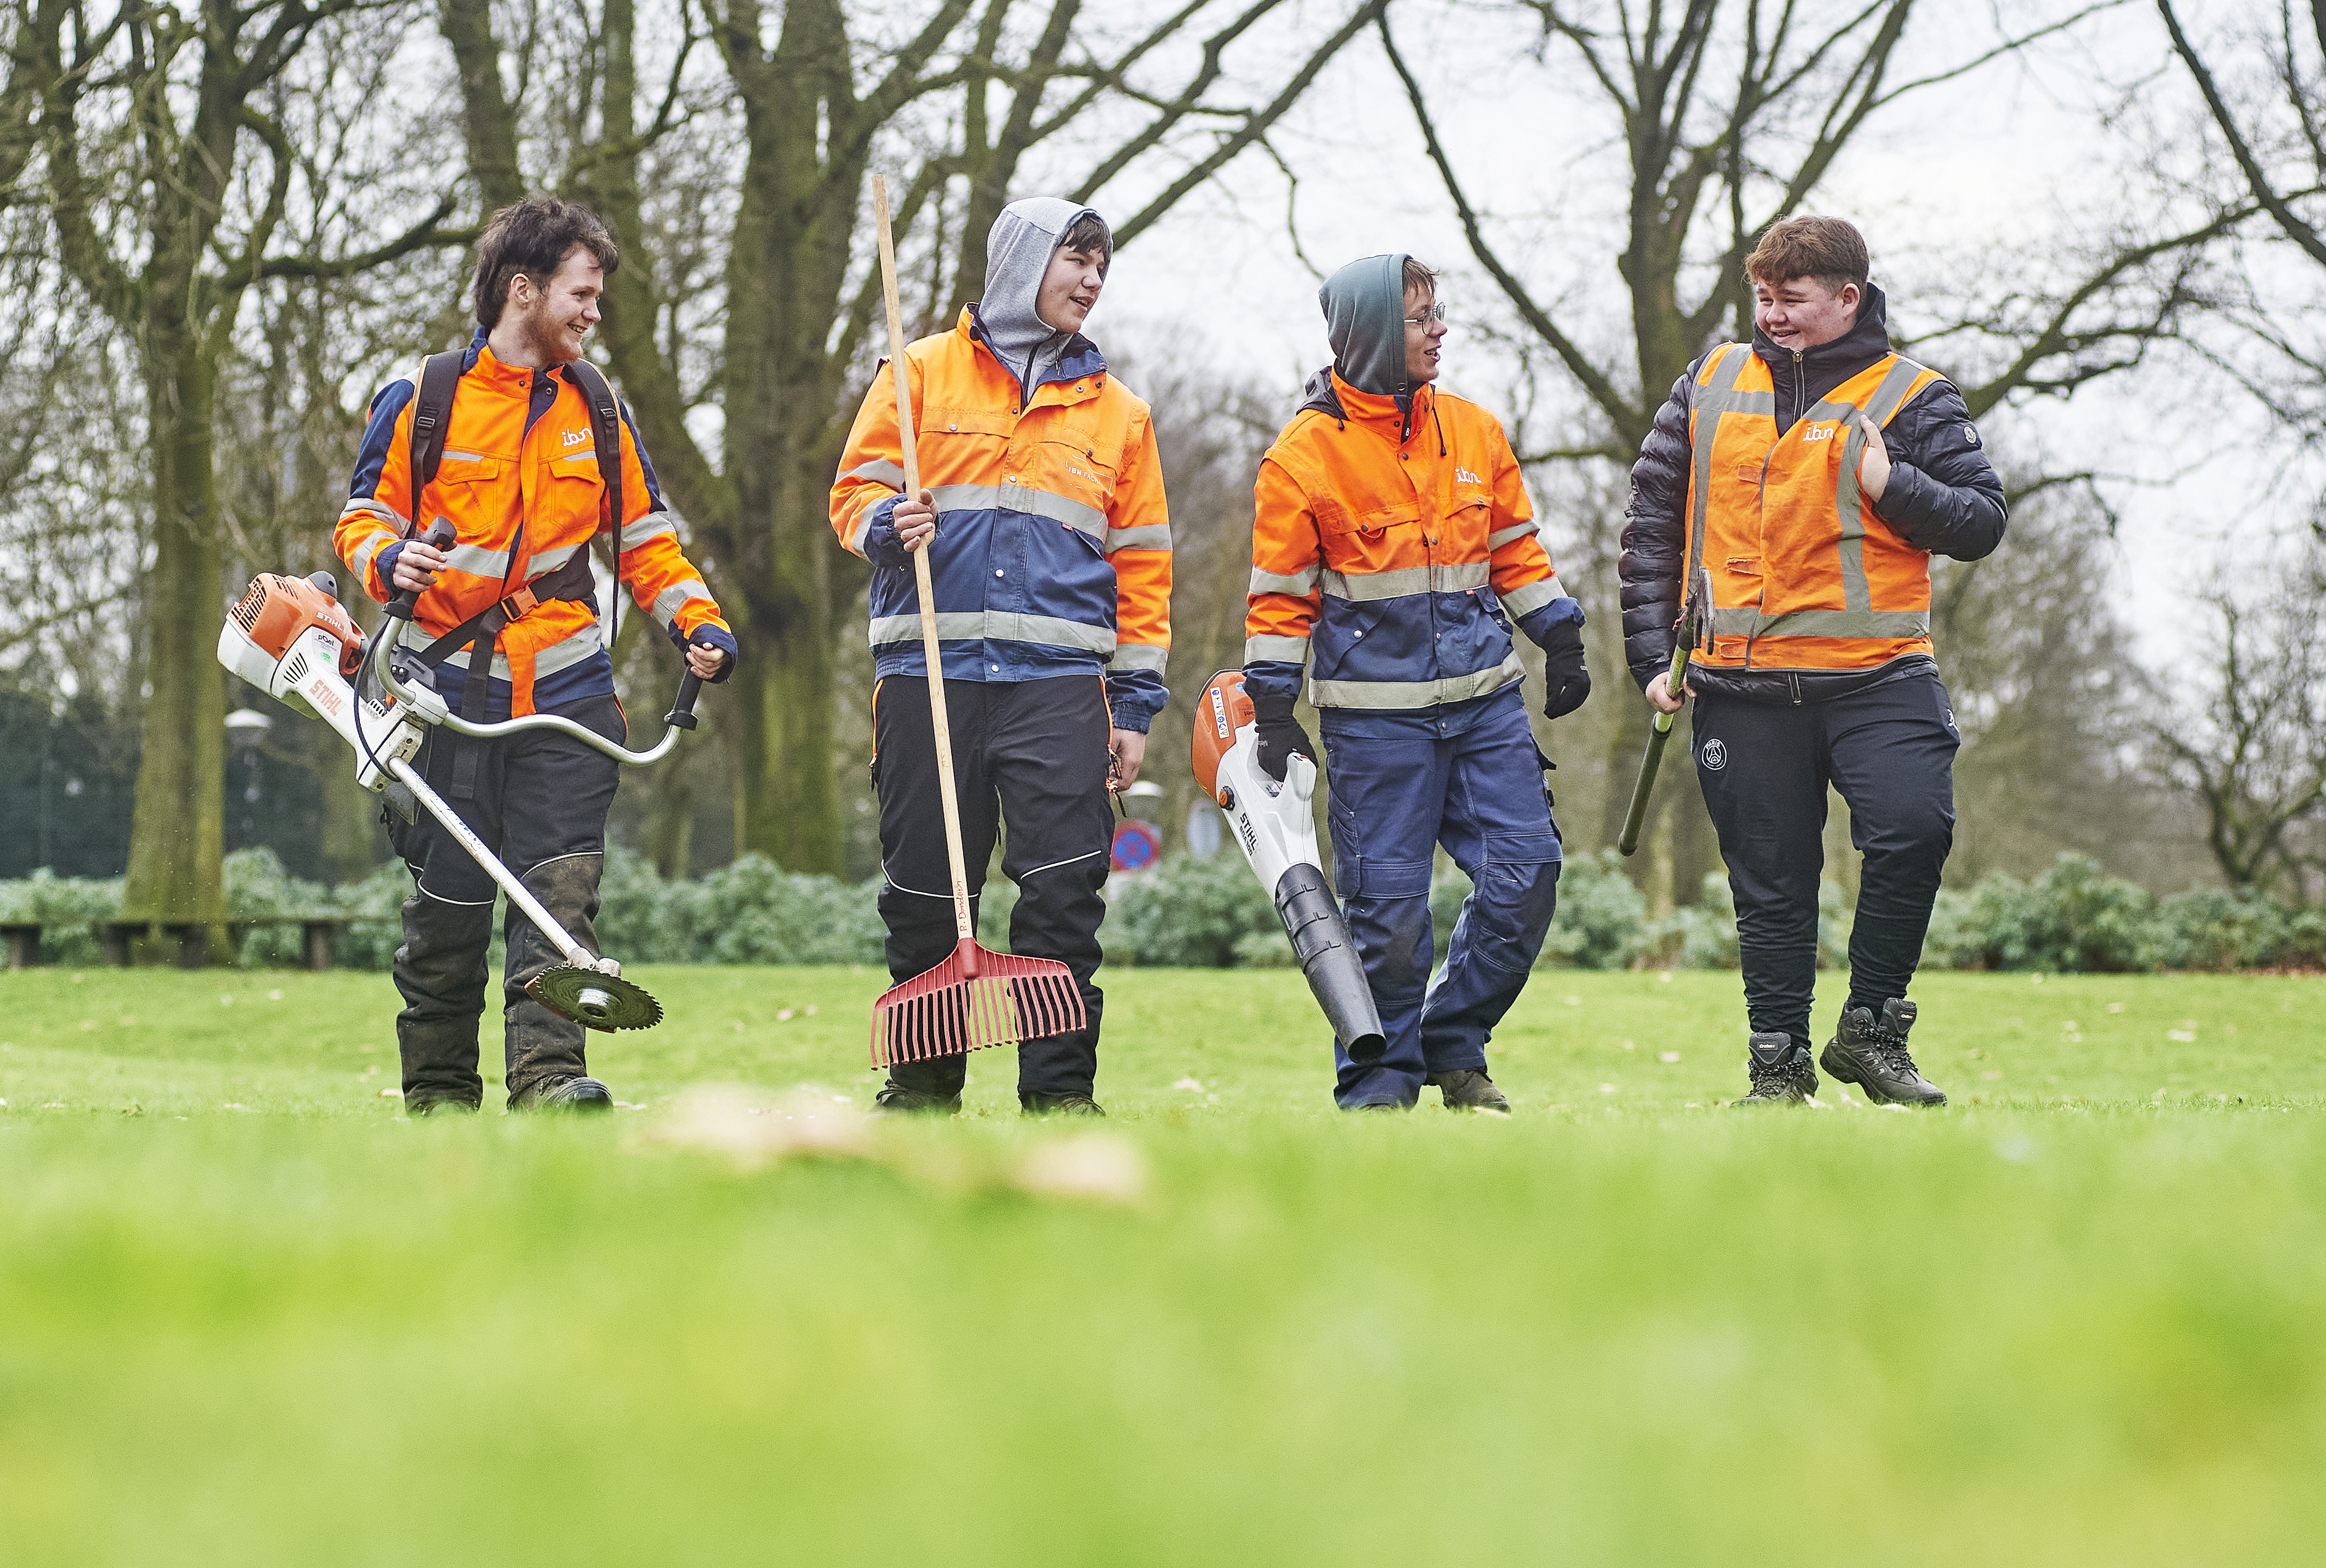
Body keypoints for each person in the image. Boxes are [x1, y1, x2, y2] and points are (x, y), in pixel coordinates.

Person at [336, 196, 738, 1115]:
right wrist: (389, 559)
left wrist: (698, 623)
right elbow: (360, 521)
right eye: (582, 294)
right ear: (524, 290)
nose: (595, 314)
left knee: (560, 896)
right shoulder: (424, 398)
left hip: (567, 691)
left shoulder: (595, 407)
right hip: (442, 693)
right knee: (447, 912)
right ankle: (439, 1097)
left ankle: (551, 1082)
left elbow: (646, 541)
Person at [1618, 215, 2006, 1107]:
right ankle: (1779, 1072)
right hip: (1740, 687)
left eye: (1792, 300)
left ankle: (1872, 1032)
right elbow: (1651, 521)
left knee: (1916, 830)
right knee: (1771, 886)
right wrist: (1650, 655)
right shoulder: (1708, 381)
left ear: (1849, 297)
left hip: (1880, 678)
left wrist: (1890, 486)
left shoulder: (1914, 395)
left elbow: (1981, 523)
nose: (1775, 315)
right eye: (1764, 298)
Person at [831, 198, 1171, 1116]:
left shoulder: (1121, 416)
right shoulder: (916, 374)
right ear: (1024, 263)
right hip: (925, 678)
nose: (1093, 280)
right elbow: (853, 491)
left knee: (1064, 895)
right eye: (1078, 260)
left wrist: (1134, 709)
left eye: (1102, 266)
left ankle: (1059, 1098)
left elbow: (1143, 570)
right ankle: (921, 1092)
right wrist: (882, 526)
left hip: (1059, 692)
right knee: (923, 896)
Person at [1244, 255, 1589, 1113]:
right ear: (1367, 334)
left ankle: (1450, 1037)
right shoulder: (1300, 459)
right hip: (1374, 727)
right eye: (1421, 317)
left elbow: (1513, 550)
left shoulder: (1473, 430)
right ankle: (1379, 1089)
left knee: (1527, 874)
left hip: (1485, 709)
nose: (1440, 330)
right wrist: (1273, 709)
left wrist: (1560, 633)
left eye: (1439, 313)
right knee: (1388, 920)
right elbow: (1279, 600)